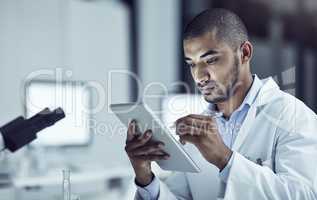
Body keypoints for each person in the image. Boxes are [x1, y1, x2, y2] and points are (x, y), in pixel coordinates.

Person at [124, 8, 317, 200]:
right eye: (192, 64)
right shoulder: (197, 131)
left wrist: (225, 159)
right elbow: (180, 196)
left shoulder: (293, 116)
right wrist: (145, 178)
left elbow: (306, 195)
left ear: (245, 53)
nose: (199, 76)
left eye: (211, 60)